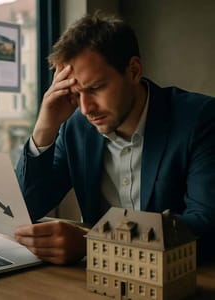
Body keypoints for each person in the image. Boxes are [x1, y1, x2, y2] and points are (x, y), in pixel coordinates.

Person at [14, 12, 215, 265]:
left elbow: (205, 224)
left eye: (95, 89)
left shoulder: (200, 119)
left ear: (133, 71)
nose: (86, 108)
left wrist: (94, 243)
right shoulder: (75, 127)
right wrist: (45, 126)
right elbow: (26, 207)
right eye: (76, 94)